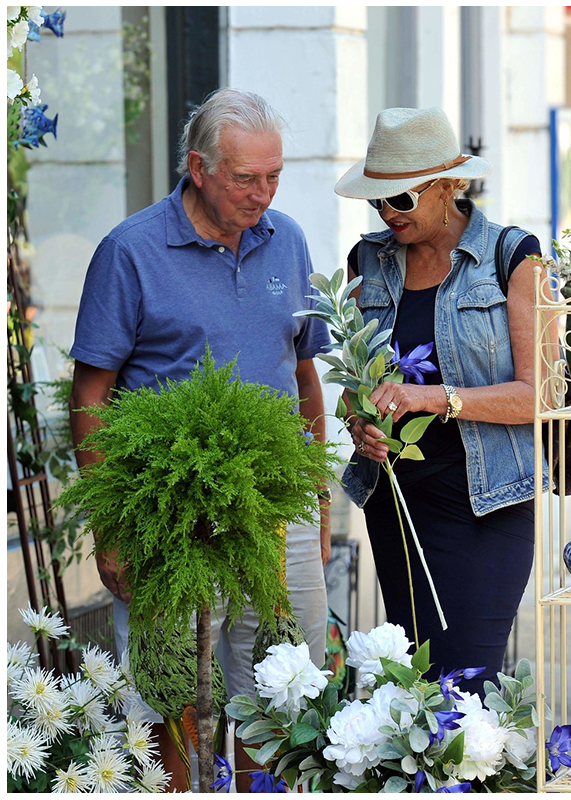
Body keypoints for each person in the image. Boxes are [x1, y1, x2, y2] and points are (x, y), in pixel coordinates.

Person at [68, 88, 331, 792]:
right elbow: (91, 399)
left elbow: (304, 379)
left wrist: (320, 502)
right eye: (246, 179)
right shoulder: (131, 252)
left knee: (281, 692)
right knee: (168, 695)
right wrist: (110, 528)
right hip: (167, 514)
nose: (263, 194)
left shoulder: (291, 240)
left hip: (278, 510)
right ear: (199, 167)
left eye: (274, 176)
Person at [335, 107, 542, 695]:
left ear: (450, 185)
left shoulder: (511, 257)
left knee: (467, 686)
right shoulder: (365, 262)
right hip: (395, 504)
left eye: (401, 198)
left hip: (486, 503)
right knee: (416, 685)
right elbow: (358, 381)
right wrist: (360, 422)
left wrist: (431, 398)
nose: (387, 213)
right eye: (378, 201)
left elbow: (536, 396)